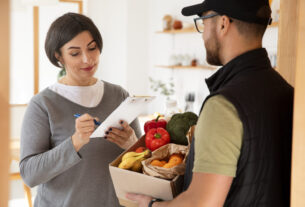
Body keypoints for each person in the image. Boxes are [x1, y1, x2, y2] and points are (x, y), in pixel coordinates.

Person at [127, 0, 293, 206]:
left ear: (223, 24)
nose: (203, 34)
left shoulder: (224, 105)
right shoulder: (286, 91)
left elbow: (201, 203)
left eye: (203, 22)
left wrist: (151, 205)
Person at [20, 12, 142, 207]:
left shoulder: (119, 96)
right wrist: (75, 142)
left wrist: (132, 144)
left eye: (92, 48)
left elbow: (143, 160)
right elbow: (29, 175)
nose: (88, 59)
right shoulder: (42, 104)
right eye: (75, 53)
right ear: (58, 56)